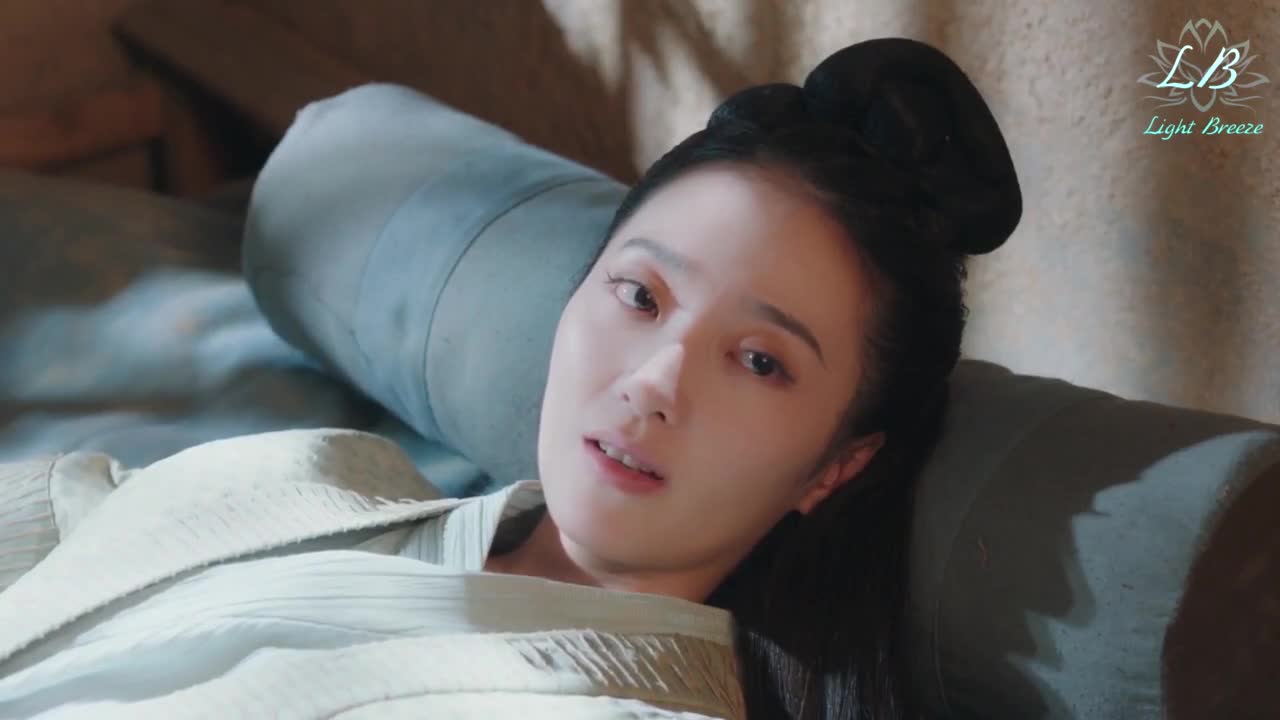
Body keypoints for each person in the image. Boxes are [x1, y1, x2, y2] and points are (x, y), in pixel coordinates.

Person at [0, 37, 1019, 719]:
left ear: (836, 467)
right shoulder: (319, 476)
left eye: (760, 361)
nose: (655, 382)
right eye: (640, 295)